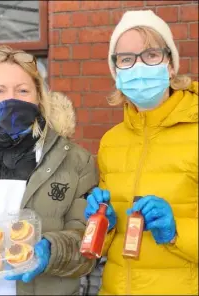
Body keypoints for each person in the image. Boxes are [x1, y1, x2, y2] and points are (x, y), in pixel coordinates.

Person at [0, 45, 98, 296]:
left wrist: (52, 251)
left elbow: (89, 246)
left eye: (23, 90)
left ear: (38, 96)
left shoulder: (74, 161)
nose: (11, 99)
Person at [84, 10, 198, 295]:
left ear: (170, 65)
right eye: (126, 59)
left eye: (150, 55)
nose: (138, 67)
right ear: (116, 71)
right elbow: (108, 244)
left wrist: (177, 231)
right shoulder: (111, 141)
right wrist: (104, 223)